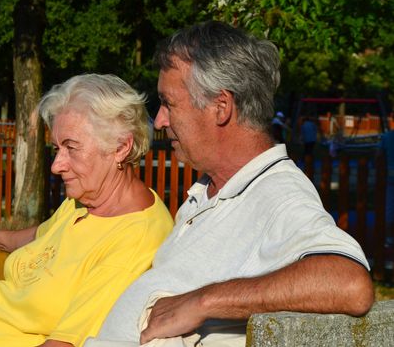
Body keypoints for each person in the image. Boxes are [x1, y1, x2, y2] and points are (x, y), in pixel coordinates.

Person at [86, 21, 374, 347]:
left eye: (169, 103)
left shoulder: (277, 194)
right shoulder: (209, 189)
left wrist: (203, 302)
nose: (161, 120)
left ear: (221, 107)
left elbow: (350, 283)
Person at [0, 74, 174, 347]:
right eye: (58, 148)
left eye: (71, 147)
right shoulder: (84, 201)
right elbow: (45, 235)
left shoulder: (135, 237)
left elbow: (65, 343)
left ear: (120, 147)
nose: (56, 165)